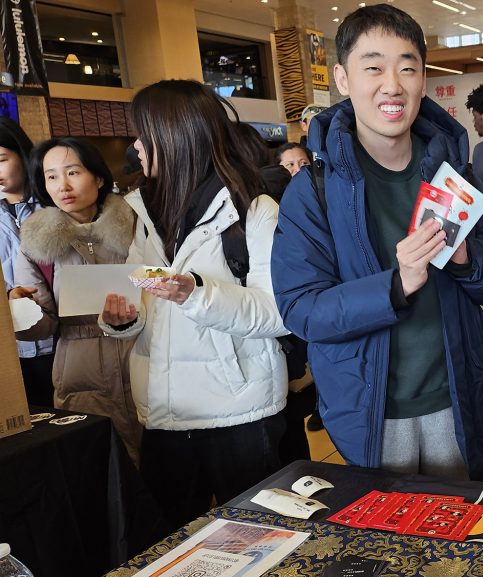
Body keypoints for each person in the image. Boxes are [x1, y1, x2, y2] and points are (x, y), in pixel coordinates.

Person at [271, 4, 483, 481]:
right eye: (373, 67)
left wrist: (467, 257)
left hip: (459, 397)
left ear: (423, 79)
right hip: (371, 409)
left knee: (458, 539)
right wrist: (395, 286)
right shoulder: (314, 191)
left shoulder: (453, 174)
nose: (392, 84)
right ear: (343, 79)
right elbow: (301, 309)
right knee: (388, 549)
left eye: (407, 67)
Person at [99, 80, 289, 528]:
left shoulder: (253, 209)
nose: (136, 147)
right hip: (165, 414)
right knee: (166, 545)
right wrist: (122, 320)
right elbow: (143, 301)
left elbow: (279, 313)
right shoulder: (142, 213)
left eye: (144, 134)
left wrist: (195, 293)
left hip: (240, 412)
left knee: (258, 541)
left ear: (176, 136)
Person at [11, 137, 141, 461]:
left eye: (72, 172)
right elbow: (42, 328)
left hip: (145, 359)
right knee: (104, 470)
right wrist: (20, 310)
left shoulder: (139, 228)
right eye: (51, 176)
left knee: (167, 475)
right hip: (80, 374)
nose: (62, 185)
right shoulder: (34, 245)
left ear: (98, 177)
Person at [0, 118, 54, 406]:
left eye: (0, 159)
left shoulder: (55, 207)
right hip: (12, 348)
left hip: (61, 340)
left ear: (22, 154)